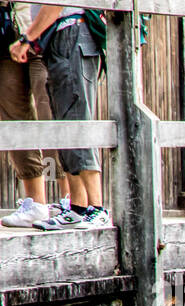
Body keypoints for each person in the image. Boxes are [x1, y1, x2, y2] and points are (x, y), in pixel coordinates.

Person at [8, 5, 106, 229]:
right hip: (58, 37)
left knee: (77, 119)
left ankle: (97, 207)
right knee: (64, 121)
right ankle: (78, 208)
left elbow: (54, 4)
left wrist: (27, 38)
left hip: (73, 30)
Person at [0, 2, 60, 227]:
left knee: (51, 113)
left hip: (43, 32)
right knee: (14, 118)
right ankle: (36, 204)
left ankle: (70, 200)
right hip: (6, 36)